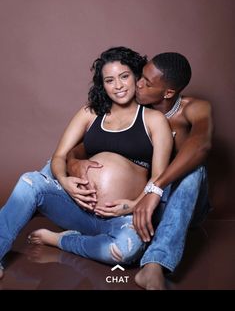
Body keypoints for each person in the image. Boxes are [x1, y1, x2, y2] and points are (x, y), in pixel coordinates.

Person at [0, 47, 173, 280]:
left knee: (125, 250)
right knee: (29, 181)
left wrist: (133, 205)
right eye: (110, 80)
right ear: (103, 85)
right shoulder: (90, 113)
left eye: (124, 76)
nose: (119, 85)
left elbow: (159, 178)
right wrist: (65, 181)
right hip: (77, 208)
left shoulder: (154, 120)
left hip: (121, 218)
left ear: (136, 77)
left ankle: (61, 240)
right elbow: (59, 156)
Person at [66, 52, 213, 290]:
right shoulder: (135, 113)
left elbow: (202, 145)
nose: (137, 83)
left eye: (146, 82)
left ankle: (155, 264)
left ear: (167, 93)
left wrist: (153, 190)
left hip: (181, 202)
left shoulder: (193, 108)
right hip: (144, 205)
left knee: (194, 170)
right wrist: (72, 161)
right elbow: (88, 145)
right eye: (139, 76)